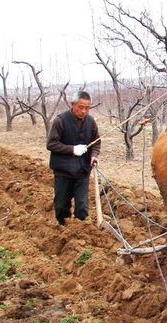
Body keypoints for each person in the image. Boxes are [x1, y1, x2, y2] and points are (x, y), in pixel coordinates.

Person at [46, 91, 101, 225]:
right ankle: (63, 227)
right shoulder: (61, 121)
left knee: (82, 206)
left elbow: (96, 142)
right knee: (61, 206)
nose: (84, 111)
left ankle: (80, 228)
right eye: (80, 107)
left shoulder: (91, 122)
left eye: (87, 108)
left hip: (82, 171)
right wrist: (72, 149)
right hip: (63, 171)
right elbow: (51, 144)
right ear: (72, 105)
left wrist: (93, 156)